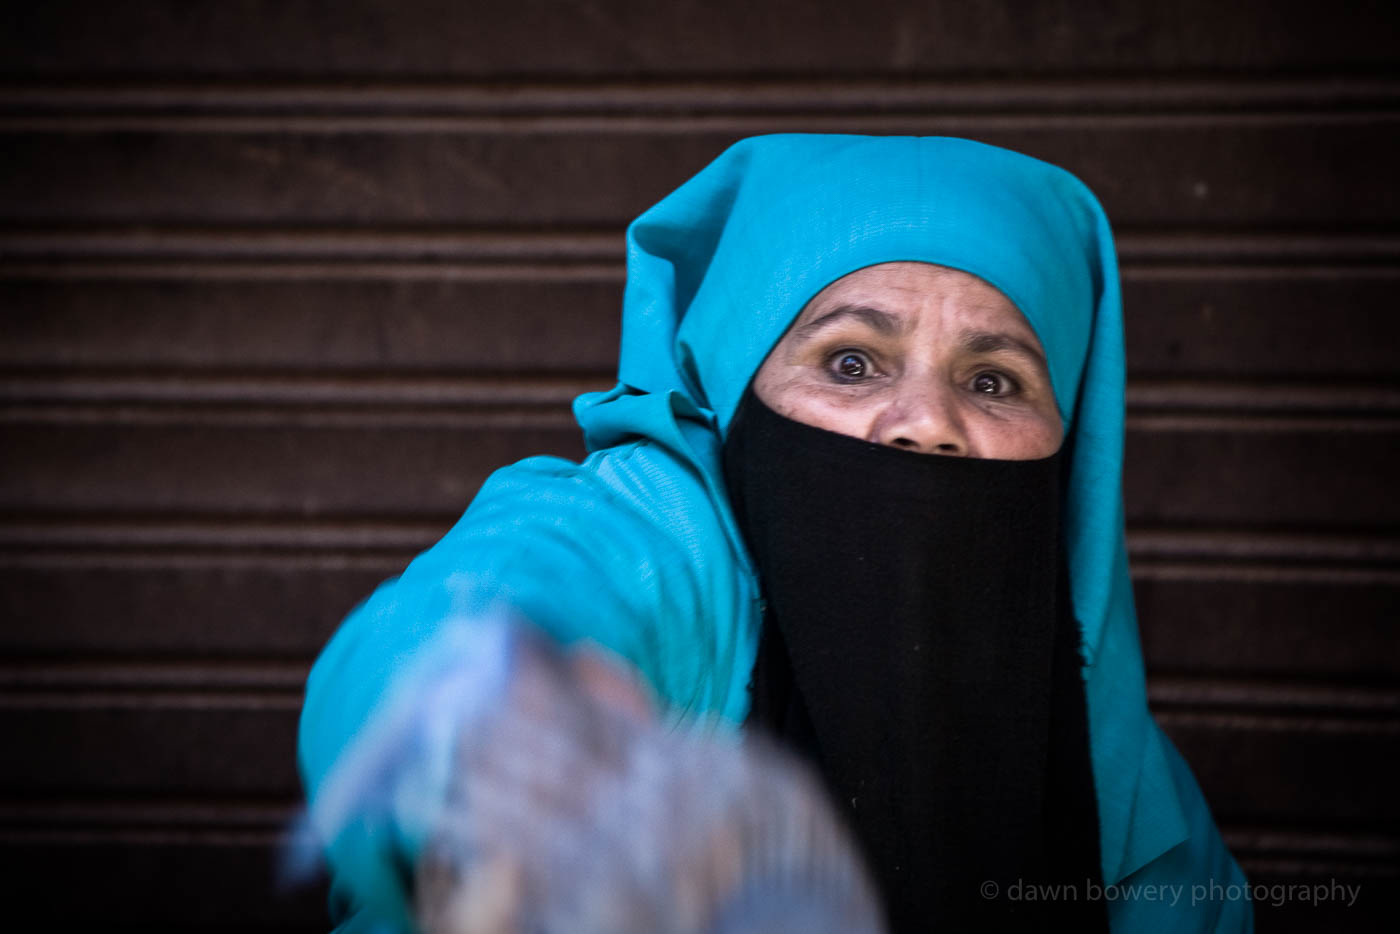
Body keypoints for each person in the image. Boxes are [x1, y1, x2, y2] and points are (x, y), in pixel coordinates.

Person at [298, 134, 1253, 932]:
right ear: (733, 392)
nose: (925, 422)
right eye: (850, 361)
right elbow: (499, 599)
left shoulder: (1143, 826)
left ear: (1070, 436)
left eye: (994, 380)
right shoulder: (663, 547)